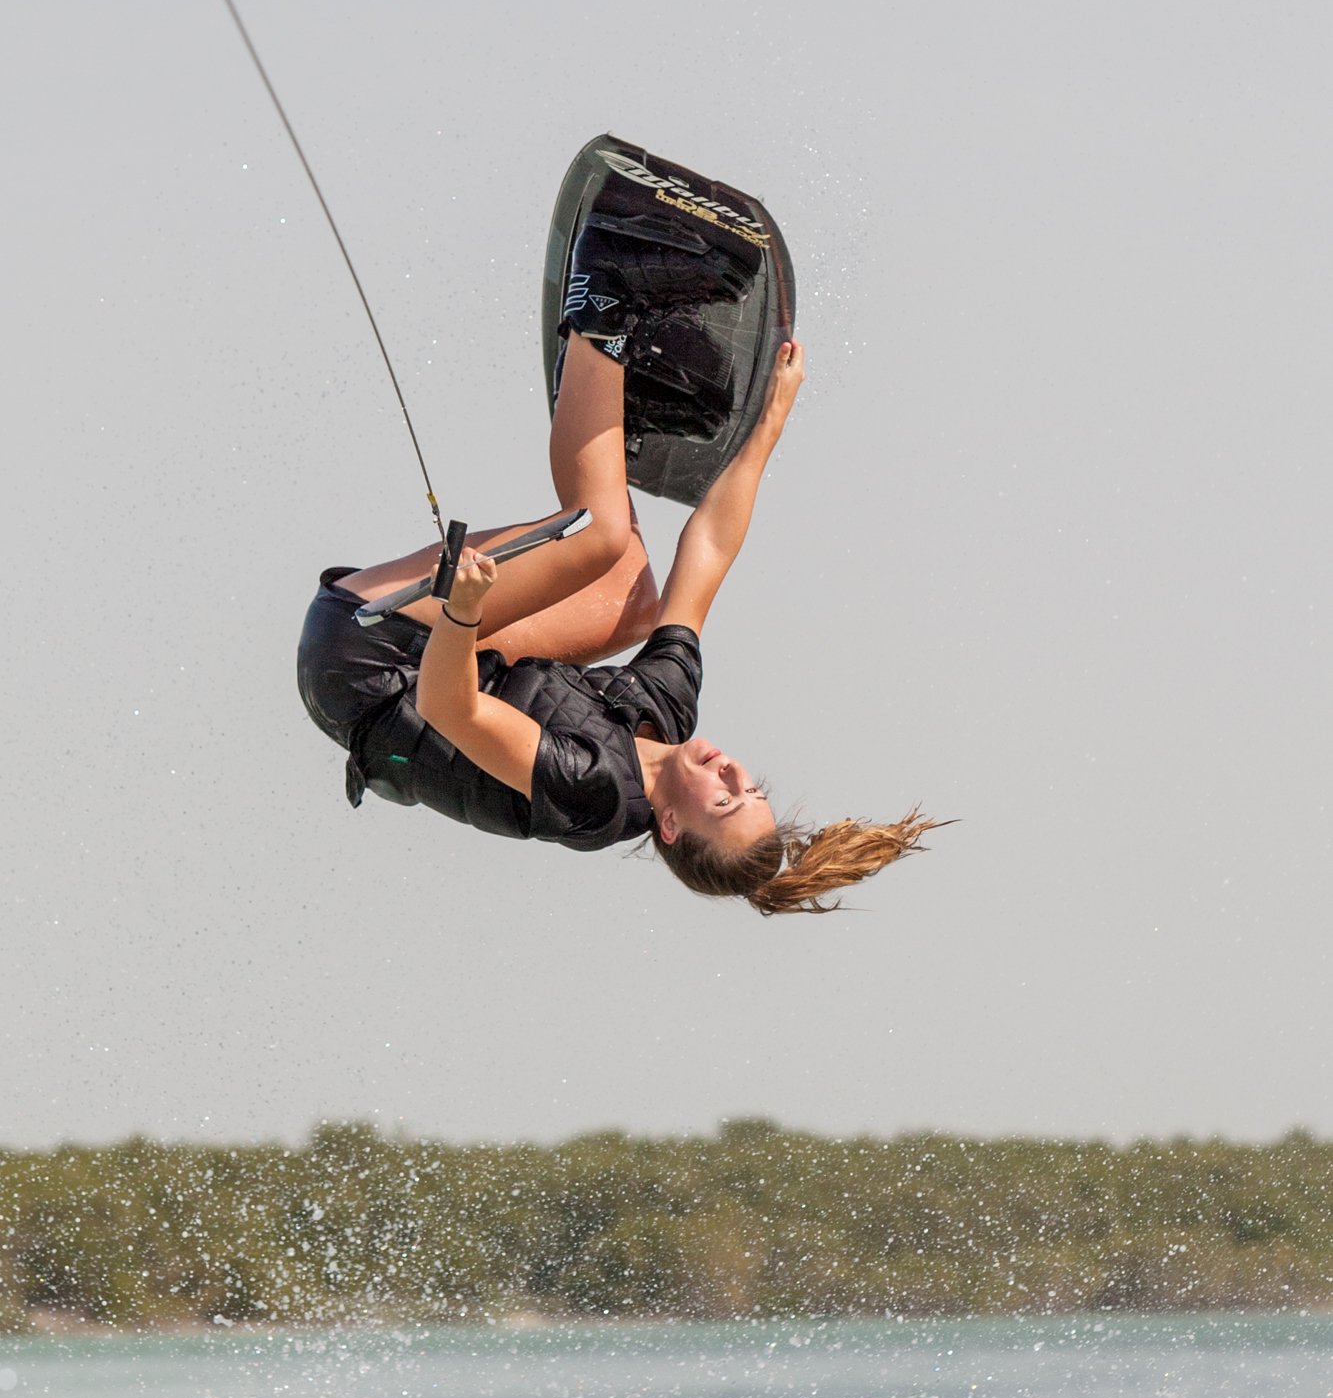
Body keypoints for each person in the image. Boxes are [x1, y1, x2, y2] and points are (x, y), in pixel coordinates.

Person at [297, 222, 937, 912]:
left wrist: (463, 610)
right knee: (631, 596)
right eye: (750, 788)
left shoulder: (591, 790)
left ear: (668, 826)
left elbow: (447, 706)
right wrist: (768, 425)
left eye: (723, 801)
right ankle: (616, 393)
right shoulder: (665, 715)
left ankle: (605, 301)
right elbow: (710, 551)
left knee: (598, 536)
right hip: (445, 661)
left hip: (365, 662)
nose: (732, 770)